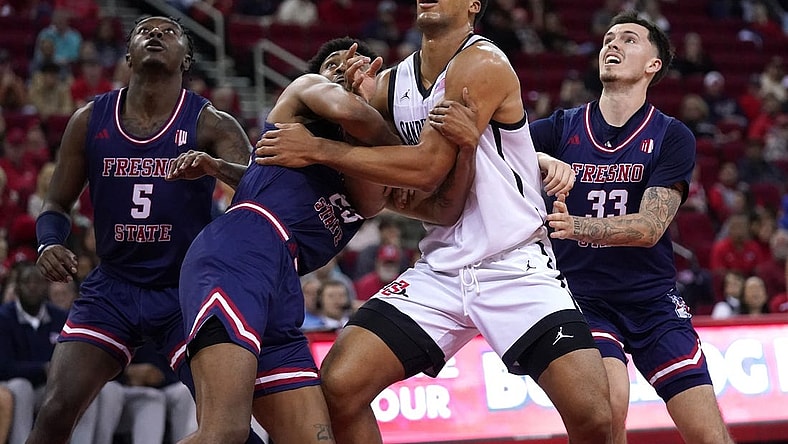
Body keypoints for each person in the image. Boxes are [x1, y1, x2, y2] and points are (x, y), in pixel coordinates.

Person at [255, 1, 613, 442]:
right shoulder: (391, 85)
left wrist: (317, 149)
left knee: (594, 415)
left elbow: (424, 168)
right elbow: (385, 190)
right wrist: (350, 104)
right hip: (441, 266)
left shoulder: (482, 62)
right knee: (339, 386)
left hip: (512, 262)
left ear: (473, 6)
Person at [26, 16, 253, 444]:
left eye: (169, 32)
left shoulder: (211, 124)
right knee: (55, 411)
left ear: (186, 58)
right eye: (145, 30)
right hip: (114, 287)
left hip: (185, 291)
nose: (155, 34)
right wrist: (49, 243)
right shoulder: (89, 120)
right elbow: (55, 204)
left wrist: (214, 166)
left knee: (225, 425)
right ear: (127, 53)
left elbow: (259, 188)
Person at [175, 38, 409, 443]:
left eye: (355, 66)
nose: (342, 70)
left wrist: (333, 143)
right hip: (241, 252)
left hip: (284, 282)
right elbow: (345, 109)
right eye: (333, 64)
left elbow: (372, 194)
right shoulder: (303, 92)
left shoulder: (359, 160)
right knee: (225, 432)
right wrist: (358, 101)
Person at [525, 11, 735, 444]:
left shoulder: (671, 136)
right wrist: (542, 159)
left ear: (653, 65)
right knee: (609, 409)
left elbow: (649, 228)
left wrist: (576, 225)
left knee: (709, 434)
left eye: (629, 39)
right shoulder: (562, 126)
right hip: (583, 298)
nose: (612, 45)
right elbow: (495, 147)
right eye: (607, 38)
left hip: (652, 301)